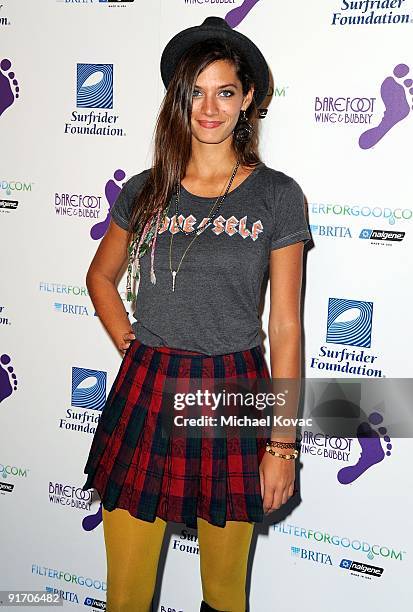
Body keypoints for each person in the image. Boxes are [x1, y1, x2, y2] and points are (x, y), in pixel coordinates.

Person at [81, 15, 311, 612]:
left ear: (248, 99)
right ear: (177, 98)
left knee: (225, 597)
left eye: (225, 91)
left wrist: (282, 445)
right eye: (195, 92)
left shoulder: (278, 195)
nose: (209, 108)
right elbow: (100, 277)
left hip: (233, 393)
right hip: (149, 389)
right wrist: (131, 343)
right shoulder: (145, 188)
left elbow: (286, 326)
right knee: (125, 598)